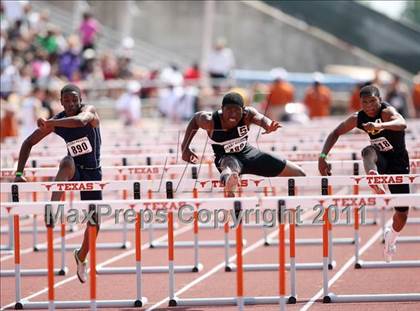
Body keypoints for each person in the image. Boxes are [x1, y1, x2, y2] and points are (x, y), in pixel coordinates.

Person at [14, 84, 102, 283]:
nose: (71, 104)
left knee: (95, 224)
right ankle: (52, 209)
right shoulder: (57, 120)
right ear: (61, 102)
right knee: (66, 162)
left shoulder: (89, 111)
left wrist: (52, 123)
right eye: (67, 101)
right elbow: (28, 142)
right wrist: (19, 172)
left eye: (74, 100)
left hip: (93, 173)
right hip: (74, 170)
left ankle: (81, 256)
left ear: (80, 99)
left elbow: (81, 121)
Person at [318, 85, 410, 263]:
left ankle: (391, 238)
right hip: (379, 160)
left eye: (373, 102)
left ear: (380, 100)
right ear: (360, 103)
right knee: (368, 151)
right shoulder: (358, 118)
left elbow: (402, 123)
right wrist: (323, 156)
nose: (369, 106)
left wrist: (380, 125)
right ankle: (374, 179)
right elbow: (336, 132)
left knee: (402, 214)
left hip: (398, 164)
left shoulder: (386, 112)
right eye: (365, 102)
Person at [181, 92, 305, 197]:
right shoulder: (210, 121)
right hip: (226, 157)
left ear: (243, 110)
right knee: (230, 169)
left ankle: (292, 209)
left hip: (248, 153)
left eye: (236, 111)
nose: (233, 115)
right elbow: (195, 120)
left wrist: (268, 125)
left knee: (299, 173)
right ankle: (230, 186)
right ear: (222, 109)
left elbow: (261, 119)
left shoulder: (247, 115)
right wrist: (184, 148)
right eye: (229, 110)